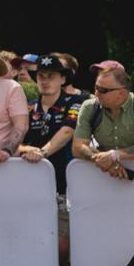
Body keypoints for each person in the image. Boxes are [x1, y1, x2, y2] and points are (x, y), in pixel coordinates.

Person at [72, 66, 134, 179]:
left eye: (103, 90)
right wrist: (102, 160)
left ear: (121, 93)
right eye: (96, 87)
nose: (96, 93)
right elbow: (77, 147)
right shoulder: (89, 107)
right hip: (105, 177)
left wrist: (113, 156)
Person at [17, 54, 88, 192]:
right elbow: (15, 139)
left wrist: (42, 153)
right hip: (32, 179)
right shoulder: (28, 107)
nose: (45, 81)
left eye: (51, 76)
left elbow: (67, 131)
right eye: (41, 76)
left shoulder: (76, 101)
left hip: (67, 180)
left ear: (63, 79)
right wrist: (25, 149)